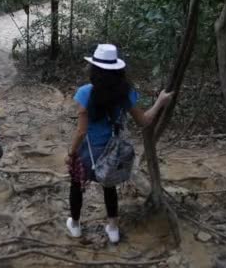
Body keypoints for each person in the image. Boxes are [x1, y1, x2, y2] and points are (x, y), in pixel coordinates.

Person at [64, 44, 173, 244]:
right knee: (109, 186)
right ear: (118, 70)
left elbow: (81, 132)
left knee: (76, 186)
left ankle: (76, 225)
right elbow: (144, 121)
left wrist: (72, 154)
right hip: (113, 152)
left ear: (94, 70)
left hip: (88, 153)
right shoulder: (126, 93)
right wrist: (160, 102)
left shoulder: (84, 93)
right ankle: (113, 228)